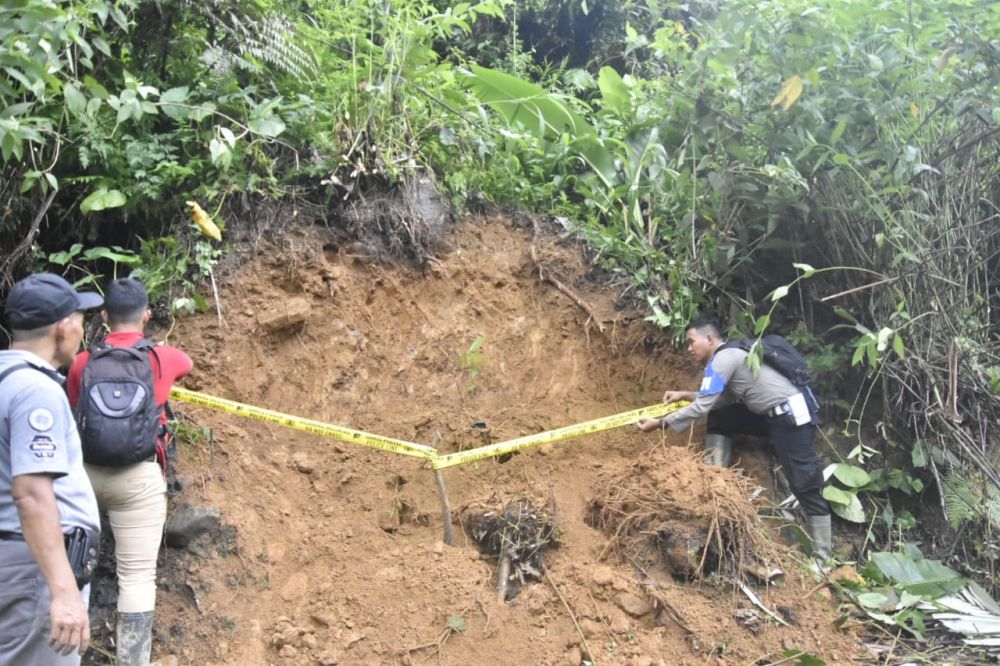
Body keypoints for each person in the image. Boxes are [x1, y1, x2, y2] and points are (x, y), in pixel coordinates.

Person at [66, 278, 192, 666]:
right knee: (136, 578)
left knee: (67, 571)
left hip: (84, 477)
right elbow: (186, 365)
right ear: (147, 315)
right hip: (137, 479)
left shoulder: (84, 363)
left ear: (103, 317)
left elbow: (74, 404)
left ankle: (61, 653)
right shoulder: (162, 358)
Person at [637, 316, 832, 561]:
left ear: (709, 339)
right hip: (773, 416)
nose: (689, 348)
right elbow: (720, 400)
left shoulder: (722, 360)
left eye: (691, 341)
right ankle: (714, 483)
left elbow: (702, 408)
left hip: (790, 418)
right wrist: (685, 395)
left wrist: (661, 423)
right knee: (723, 416)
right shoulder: (730, 355)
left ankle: (823, 559)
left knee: (804, 483)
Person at [0, 273, 104, 664]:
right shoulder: (34, 389)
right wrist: (63, 591)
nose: (83, 330)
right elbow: (31, 494)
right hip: (32, 570)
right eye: (81, 319)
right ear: (64, 327)